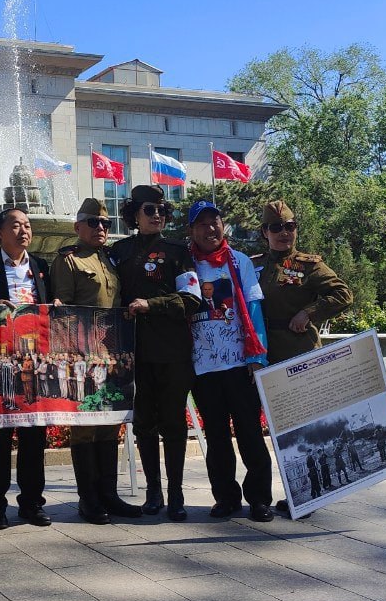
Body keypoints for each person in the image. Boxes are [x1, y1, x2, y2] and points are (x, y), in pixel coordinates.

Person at [109, 184, 204, 520]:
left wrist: (153, 304)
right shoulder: (118, 252)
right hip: (133, 353)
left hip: (172, 351)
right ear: (135, 214)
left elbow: (193, 299)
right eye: (150, 210)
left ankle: (176, 493)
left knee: (174, 424)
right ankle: (153, 491)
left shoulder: (178, 252)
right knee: (144, 424)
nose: (158, 216)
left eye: (163, 210)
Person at [50, 197, 143, 524]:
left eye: (105, 223)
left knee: (109, 427)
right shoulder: (69, 260)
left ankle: (109, 494)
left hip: (115, 354)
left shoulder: (110, 259)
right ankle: (88, 499)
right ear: (78, 227)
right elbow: (64, 311)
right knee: (86, 429)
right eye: (93, 223)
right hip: (85, 356)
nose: (101, 228)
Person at [257, 199, 353, 513]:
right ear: (264, 232)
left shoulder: (307, 265)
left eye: (290, 226)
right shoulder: (254, 264)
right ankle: (289, 491)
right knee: (277, 428)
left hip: (298, 354)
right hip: (264, 355)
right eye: (276, 228)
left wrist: (308, 312)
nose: (284, 233)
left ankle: (309, 494)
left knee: (303, 429)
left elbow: (342, 294)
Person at [0, 207, 57, 529]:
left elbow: (54, 310)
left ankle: (32, 503)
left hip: (34, 365)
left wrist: (55, 307)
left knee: (34, 434)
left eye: (27, 225)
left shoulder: (43, 267)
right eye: (15, 225)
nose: (24, 231)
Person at [186, 200, 274, 522]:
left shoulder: (239, 263)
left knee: (250, 433)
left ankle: (260, 499)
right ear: (191, 230)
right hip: (203, 368)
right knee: (217, 437)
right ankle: (225, 497)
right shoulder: (186, 265)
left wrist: (257, 358)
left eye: (215, 222)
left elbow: (253, 310)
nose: (210, 229)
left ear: (223, 225)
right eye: (202, 224)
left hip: (240, 364)